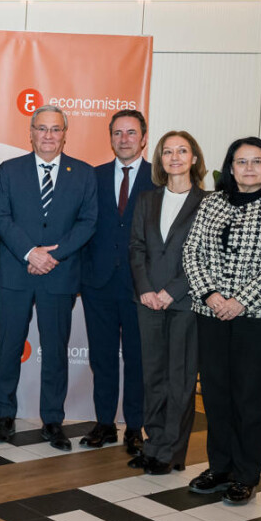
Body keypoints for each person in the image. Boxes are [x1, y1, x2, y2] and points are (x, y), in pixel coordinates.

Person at [183, 137, 261, 505]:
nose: (249, 168)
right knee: (216, 394)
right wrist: (210, 295)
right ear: (230, 167)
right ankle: (220, 468)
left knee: (250, 398)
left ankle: (246, 475)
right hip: (212, 312)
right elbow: (191, 251)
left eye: (257, 161)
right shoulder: (212, 203)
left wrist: (241, 300)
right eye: (241, 161)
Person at [0, 106, 96, 450]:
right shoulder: (9, 170)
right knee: (9, 347)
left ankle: (52, 420)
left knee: (55, 351)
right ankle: (4, 416)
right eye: (42, 128)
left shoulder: (83, 173)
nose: (48, 135)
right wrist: (30, 252)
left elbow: (88, 222)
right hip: (16, 273)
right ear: (31, 133)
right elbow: (0, 216)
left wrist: (53, 255)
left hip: (59, 275)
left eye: (55, 129)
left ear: (65, 134)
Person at [127, 131, 207, 475]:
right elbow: (136, 247)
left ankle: (172, 451)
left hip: (185, 302)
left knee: (180, 379)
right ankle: (153, 444)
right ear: (160, 159)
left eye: (182, 151)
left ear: (194, 158)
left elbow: (205, 255)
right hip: (147, 301)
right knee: (153, 376)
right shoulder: (147, 199)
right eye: (168, 152)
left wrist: (171, 291)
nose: (175, 157)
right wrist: (146, 289)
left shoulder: (208, 203)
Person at [80, 110, 154, 453]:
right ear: (110, 138)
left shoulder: (159, 178)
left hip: (141, 287)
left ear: (144, 138)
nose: (124, 139)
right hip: (98, 284)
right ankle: (105, 424)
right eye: (118, 133)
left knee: (137, 359)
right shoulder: (92, 177)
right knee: (102, 358)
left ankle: (135, 426)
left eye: (131, 133)